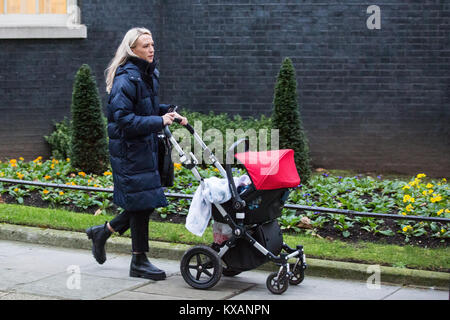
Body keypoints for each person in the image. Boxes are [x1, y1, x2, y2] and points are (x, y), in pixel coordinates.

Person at [86, 27, 187, 281]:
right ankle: (138, 261)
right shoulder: (126, 78)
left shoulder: (148, 75)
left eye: (152, 44)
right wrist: (158, 121)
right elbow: (122, 119)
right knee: (143, 203)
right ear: (132, 50)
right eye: (145, 46)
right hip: (129, 152)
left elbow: (148, 108)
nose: (151, 49)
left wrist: (169, 112)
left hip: (144, 148)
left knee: (144, 203)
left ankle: (105, 233)